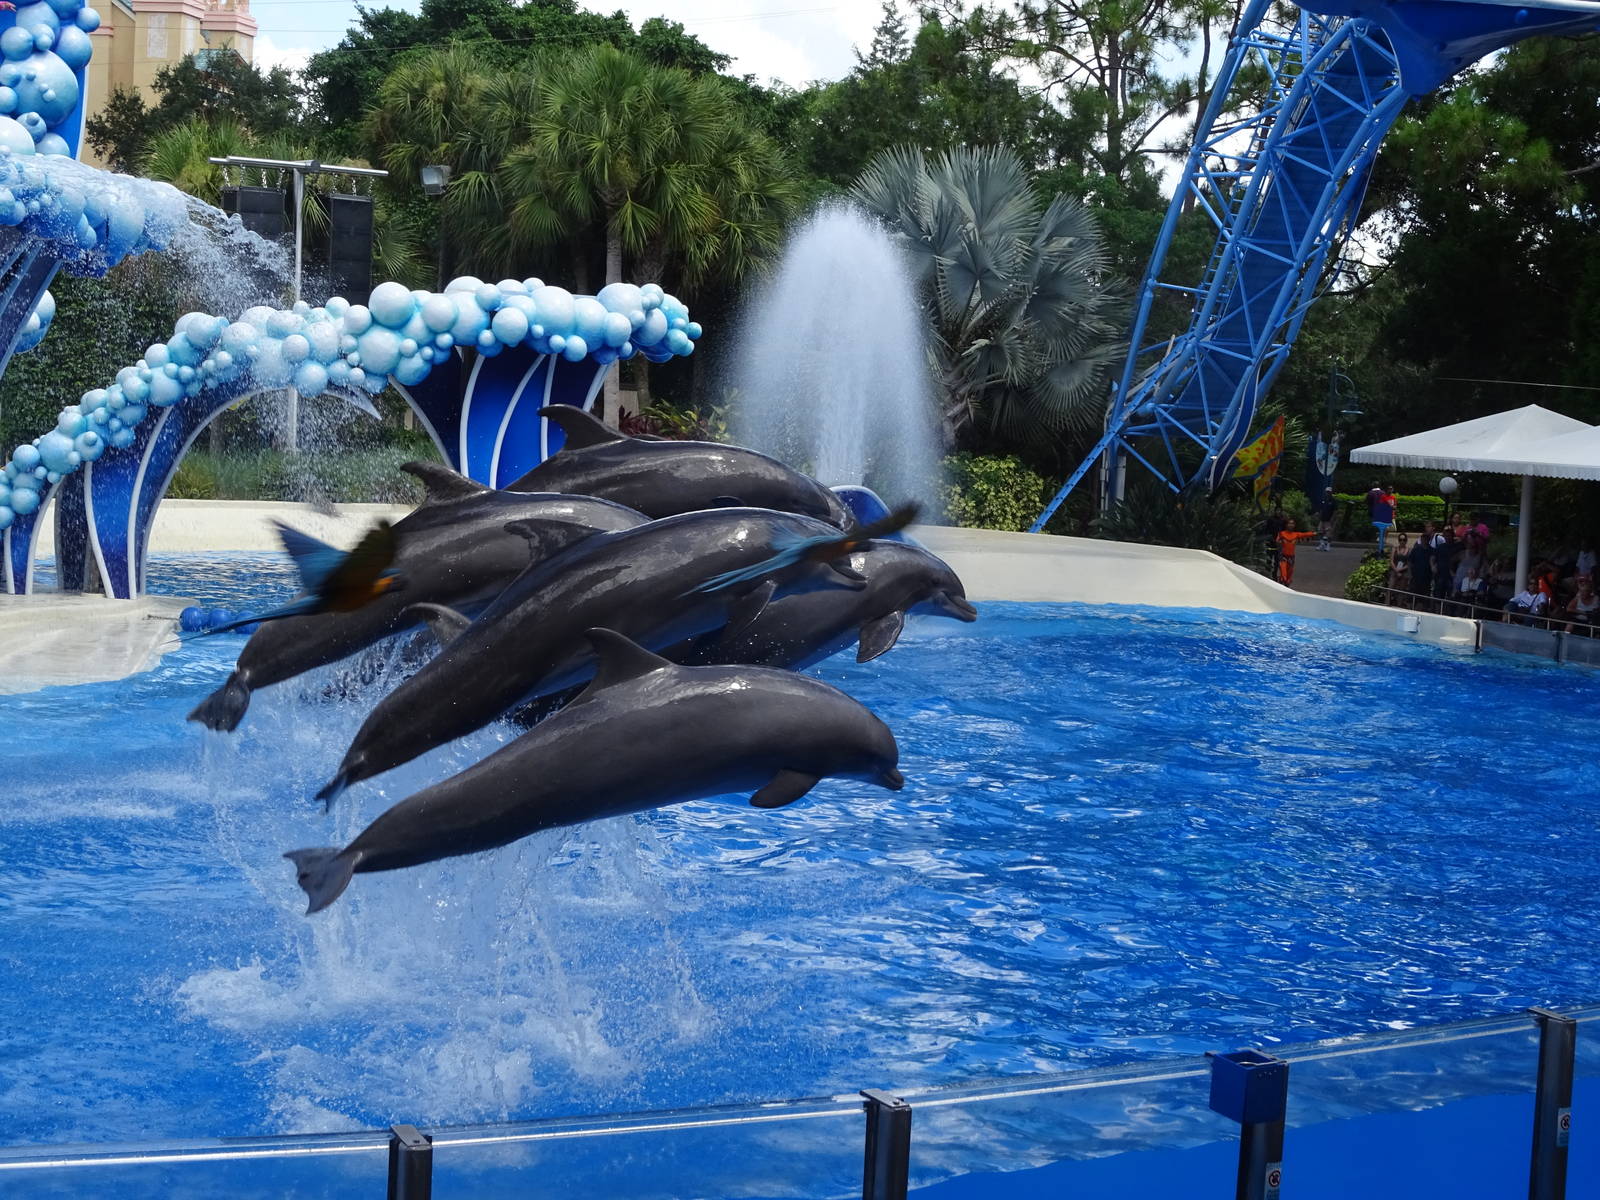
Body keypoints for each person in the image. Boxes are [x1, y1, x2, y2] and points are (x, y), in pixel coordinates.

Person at [1275, 519, 1317, 587]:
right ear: (1286, 525)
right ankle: (1282, 582)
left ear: (1294, 525)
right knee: (1284, 574)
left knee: (1289, 576)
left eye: (1292, 523)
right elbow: (1277, 542)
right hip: (1283, 557)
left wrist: (1315, 533)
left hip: (1291, 558)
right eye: (1289, 523)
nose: (1291, 525)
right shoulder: (1281, 534)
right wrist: (1278, 543)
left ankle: (1286, 588)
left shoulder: (1296, 534)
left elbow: (1305, 534)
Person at [1408, 521, 1442, 598]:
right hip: (1415, 576)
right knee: (1412, 596)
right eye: (1423, 538)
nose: (1424, 540)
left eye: (1426, 539)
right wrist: (1410, 573)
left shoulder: (1432, 550)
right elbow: (1410, 562)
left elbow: (1434, 562)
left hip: (1427, 578)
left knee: (1423, 597)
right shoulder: (1416, 549)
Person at [1431, 523, 1458, 601]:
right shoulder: (1440, 547)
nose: (1447, 538)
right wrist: (1433, 566)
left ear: (1452, 536)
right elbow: (1432, 557)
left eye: (1449, 536)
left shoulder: (1457, 547)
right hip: (1440, 574)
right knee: (1438, 595)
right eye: (1446, 536)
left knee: (1451, 596)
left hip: (1451, 575)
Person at [1371, 484, 1397, 554]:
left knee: (1393, 528)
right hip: (1385, 514)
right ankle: (1382, 538)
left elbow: (1395, 505)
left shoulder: (1393, 497)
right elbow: (1381, 505)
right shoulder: (1383, 497)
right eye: (1389, 489)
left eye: (1391, 489)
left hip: (1392, 514)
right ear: (1387, 490)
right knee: (1386, 527)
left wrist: (1394, 508)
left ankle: (1382, 536)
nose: (1390, 490)